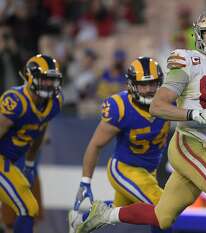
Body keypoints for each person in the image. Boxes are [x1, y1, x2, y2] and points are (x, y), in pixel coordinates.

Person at [73, 9, 206, 233]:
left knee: (162, 217)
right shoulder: (187, 61)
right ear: (198, 34)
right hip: (189, 142)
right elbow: (157, 105)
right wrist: (194, 114)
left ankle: (105, 213)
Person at [68, 57, 172, 233]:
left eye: (152, 84)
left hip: (149, 171)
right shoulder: (121, 107)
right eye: (142, 85)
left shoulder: (170, 99)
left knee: (115, 210)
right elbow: (95, 145)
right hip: (124, 167)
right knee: (164, 209)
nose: (148, 90)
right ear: (132, 85)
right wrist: (85, 181)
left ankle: (79, 223)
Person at [0, 54, 63, 233]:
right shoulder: (16, 101)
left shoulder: (54, 103)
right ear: (30, 78)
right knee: (27, 206)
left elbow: (39, 130)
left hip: (12, 161)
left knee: (30, 207)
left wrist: (29, 163)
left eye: (52, 80)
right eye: (44, 80)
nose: (49, 85)